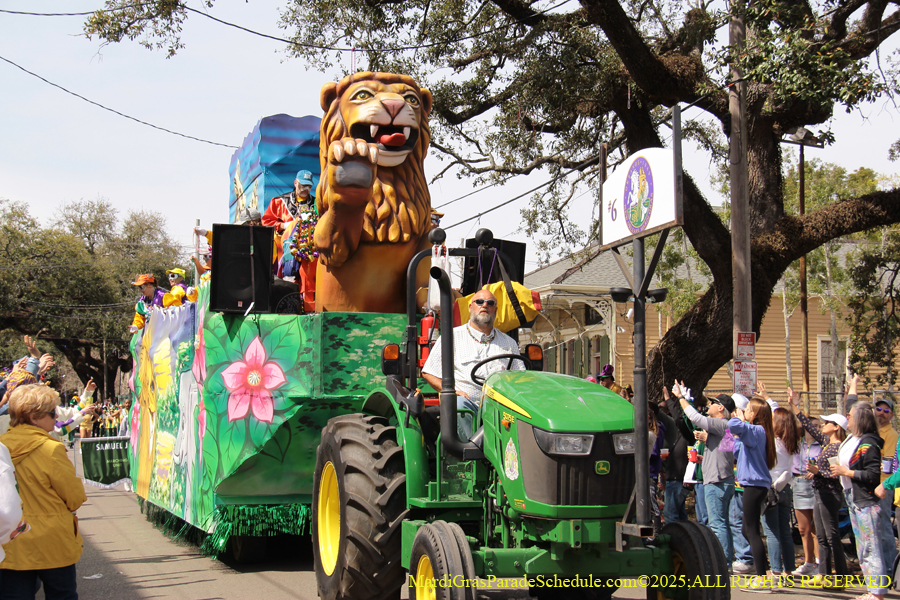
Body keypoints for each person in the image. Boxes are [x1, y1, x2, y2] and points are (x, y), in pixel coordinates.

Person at [0, 384, 87, 599]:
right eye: (51, 413)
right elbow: (74, 496)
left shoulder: (2, 446)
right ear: (34, 417)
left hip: (11, 539)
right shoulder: (50, 449)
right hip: (53, 541)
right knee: (62, 594)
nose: (55, 417)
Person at [421, 289, 524, 440]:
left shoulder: (509, 343)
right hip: (467, 404)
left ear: (496, 309)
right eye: (480, 302)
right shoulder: (452, 337)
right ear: (470, 307)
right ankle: (471, 454)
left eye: (490, 303)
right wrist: (452, 391)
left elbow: (520, 379)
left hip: (499, 405)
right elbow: (428, 372)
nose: (484, 305)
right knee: (458, 405)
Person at [790, 387, 849, 589]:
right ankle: (824, 573)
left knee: (831, 535)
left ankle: (841, 577)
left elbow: (836, 473)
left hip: (829, 493)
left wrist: (817, 471)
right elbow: (809, 425)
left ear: (837, 427)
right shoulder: (825, 441)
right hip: (818, 492)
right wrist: (794, 406)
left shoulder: (838, 447)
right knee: (822, 536)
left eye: (827, 423)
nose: (822, 425)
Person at [832, 401, 889, 600]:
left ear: (860, 419)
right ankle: (872, 590)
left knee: (871, 546)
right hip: (853, 498)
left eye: (851, 414)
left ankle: (878, 592)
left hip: (866, 501)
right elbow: (850, 400)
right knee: (862, 547)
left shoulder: (869, 442)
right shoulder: (853, 438)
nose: (847, 416)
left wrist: (846, 471)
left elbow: (873, 475)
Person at [676, 387, 736, 566]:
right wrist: (704, 459)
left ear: (721, 409)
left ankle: (722, 563)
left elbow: (695, 418)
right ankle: (726, 559)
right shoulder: (725, 428)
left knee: (717, 524)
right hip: (723, 479)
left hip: (716, 483)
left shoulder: (721, 423)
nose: (710, 405)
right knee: (722, 523)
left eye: (714, 403)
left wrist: (680, 397)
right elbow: (725, 454)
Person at [845, 374, 899, 572]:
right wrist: (853, 385)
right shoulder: (870, 431)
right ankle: (878, 570)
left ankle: (890, 571)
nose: (882, 413)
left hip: (882, 486)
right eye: (879, 409)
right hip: (865, 487)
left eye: (886, 411)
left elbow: (888, 462)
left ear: (892, 416)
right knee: (870, 534)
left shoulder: (891, 435)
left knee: (883, 530)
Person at [728, 397, 776, 592]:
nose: (744, 411)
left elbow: (733, 425)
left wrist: (740, 419)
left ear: (754, 414)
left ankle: (762, 576)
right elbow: (736, 450)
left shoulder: (757, 430)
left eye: (747, 409)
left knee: (752, 530)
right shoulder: (754, 433)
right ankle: (763, 568)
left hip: (755, 485)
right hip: (752, 484)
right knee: (747, 530)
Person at [762, 407, 799, 578]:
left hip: (771, 489)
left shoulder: (773, 442)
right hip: (785, 488)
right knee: (785, 530)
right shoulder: (791, 442)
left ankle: (776, 570)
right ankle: (789, 570)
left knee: (772, 531)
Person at [790, 416, 821, 576]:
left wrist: (817, 470)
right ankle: (808, 563)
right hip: (799, 484)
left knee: (817, 528)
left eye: (818, 426)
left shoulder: (821, 445)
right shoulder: (797, 443)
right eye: (813, 425)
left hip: (815, 485)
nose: (816, 428)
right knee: (803, 528)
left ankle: (819, 563)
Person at [729, 393, 755, 575]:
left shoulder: (747, 431)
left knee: (739, 520)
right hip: (735, 479)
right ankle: (742, 555)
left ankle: (745, 558)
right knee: (735, 520)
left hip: (743, 481)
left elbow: (733, 451)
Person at [263, 170, 315, 235]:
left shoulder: (316, 203)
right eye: (303, 185)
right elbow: (266, 223)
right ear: (295, 183)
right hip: (284, 241)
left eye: (309, 186)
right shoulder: (279, 201)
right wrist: (284, 225)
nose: (306, 189)